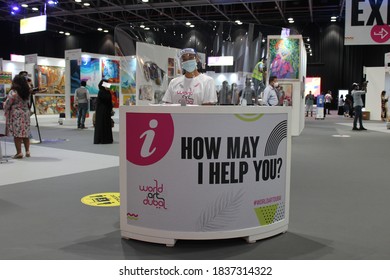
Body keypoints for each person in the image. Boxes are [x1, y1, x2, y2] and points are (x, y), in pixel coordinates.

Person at [3, 74, 31, 158]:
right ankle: (27, 151)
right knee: (25, 133)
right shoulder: (27, 92)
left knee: (17, 134)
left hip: (16, 115)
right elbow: (28, 103)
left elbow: (8, 103)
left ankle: (19, 152)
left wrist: (5, 107)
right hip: (26, 114)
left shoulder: (13, 92)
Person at [94, 79, 113, 144]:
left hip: (106, 111)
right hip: (102, 111)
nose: (108, 85)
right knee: (102, 124)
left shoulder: (106, 91)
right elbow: (107, 99)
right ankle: (103, 139)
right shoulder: (102, 92)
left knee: (106, 124)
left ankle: (106, 139)